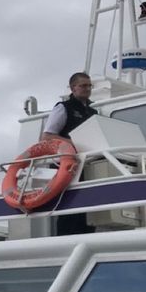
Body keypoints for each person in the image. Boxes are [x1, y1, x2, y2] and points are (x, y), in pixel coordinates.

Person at [42, 72, 98, 236]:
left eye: (89, 85)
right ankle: (65, 243)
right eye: (83, 85)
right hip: (68, 166)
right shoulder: (63, 108)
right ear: (73, 88)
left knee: (87, 212)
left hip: (87, 165)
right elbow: (47, 136)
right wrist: (76, 143)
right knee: (70, 211)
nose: (87, 89)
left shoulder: (93, 112)